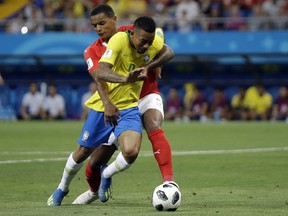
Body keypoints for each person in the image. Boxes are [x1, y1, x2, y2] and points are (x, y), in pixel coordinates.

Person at [47, 14, 173, 206]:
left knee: (131, 151)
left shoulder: (135, 31)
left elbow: (165, 46)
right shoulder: (95, 49)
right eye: (95, 25)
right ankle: (62, 188)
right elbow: (100, 75)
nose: (98, 28)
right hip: (103, 107)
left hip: (129, 107)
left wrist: (152, 65)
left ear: (114, 20)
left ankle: (108, 174)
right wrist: (118, 90)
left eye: (102, 23)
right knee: (85, 154)